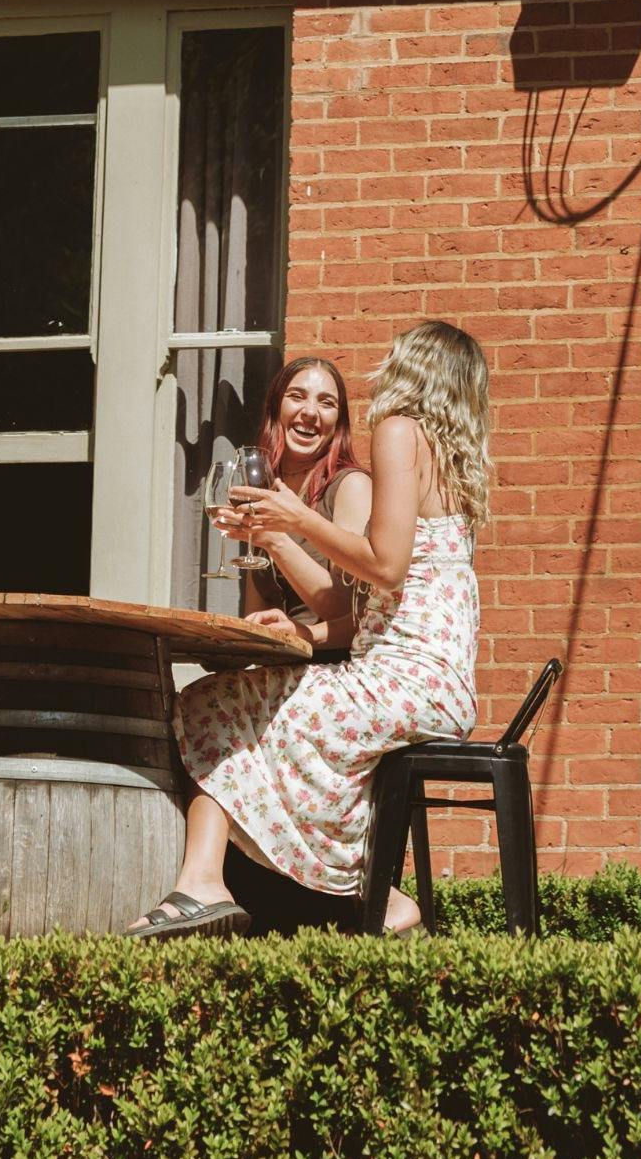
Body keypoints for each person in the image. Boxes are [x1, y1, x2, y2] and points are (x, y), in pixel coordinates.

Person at [129, 320, 490, 938]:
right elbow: (386, 586)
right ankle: (386, 899)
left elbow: (385, 564)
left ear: (414, 368)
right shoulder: (448, 455)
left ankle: (204, 883)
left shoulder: (400, 433)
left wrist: (294, 518)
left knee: (211, 702)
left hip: (405, 677)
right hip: (435, 682)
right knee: (259, 707)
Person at [238, 357, 372, 660]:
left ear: (338, 422)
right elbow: (255, 619)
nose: (310, 412)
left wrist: (275, 541)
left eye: (326, 403)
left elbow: (348, 610)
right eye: (296, 396)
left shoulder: (351, 486)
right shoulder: (266, 491)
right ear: (276, 408)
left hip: (332, 668)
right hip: (278, 667)